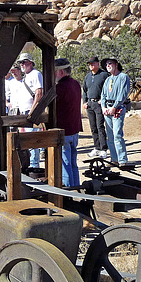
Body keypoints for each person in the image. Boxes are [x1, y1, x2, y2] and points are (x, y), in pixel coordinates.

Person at [54, 58, 82, 187]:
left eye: (55, 71)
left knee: (65, 164)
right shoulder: (76, 83)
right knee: (73, 163)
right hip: (74, 129)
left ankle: (69, 192)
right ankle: (76, 186)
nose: (53, 74)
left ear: (61, 72)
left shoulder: (60, 87)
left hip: (63, 130)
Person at [100, 58, 132, 167]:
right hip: (108, 109)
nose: (108, 65)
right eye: (106, 64)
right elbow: (103, 94)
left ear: (116, 64)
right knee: (110, 136)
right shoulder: (108, 80)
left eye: (110, 63)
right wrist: (104, 107)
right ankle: (114, 159)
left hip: (118, 108)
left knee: (117, 134)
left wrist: (115, 106)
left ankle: (122, 160)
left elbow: (123, 94)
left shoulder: (123, 77)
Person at [15, 52, 43, 168]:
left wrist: (32, 111)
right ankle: (29, 165)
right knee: (26, 141)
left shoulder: (36, 74)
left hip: (31, 113)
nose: (22, 64)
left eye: (24, 62)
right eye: (20, 62)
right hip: (25, 113)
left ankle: (34, 165)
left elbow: (39, 93)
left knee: (32, 141)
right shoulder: (26, 77)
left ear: (30, 63)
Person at [82, 56, 109, 158]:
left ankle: (103, 149)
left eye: (93, 63)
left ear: (98, 64)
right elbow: (84, 90)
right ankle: (96, 147)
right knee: (93, 127)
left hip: (99, 104)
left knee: (100, 126)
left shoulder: (104, 75)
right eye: (90, 64)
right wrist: (84, 101)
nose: (91, 65)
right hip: (90, 104)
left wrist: (103, 100)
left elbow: (107, 89)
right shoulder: (88, 76)